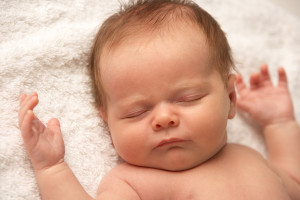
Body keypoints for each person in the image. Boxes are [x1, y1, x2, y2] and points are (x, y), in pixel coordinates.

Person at [18, 0, 300, 199]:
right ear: (108, 124)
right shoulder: (134, 182)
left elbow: (294, 182)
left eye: (188, 98)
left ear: (229, 97)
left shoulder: (249, 157)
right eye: (135, 112)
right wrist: (52, 169)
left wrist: (280, 123)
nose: (164, 119)